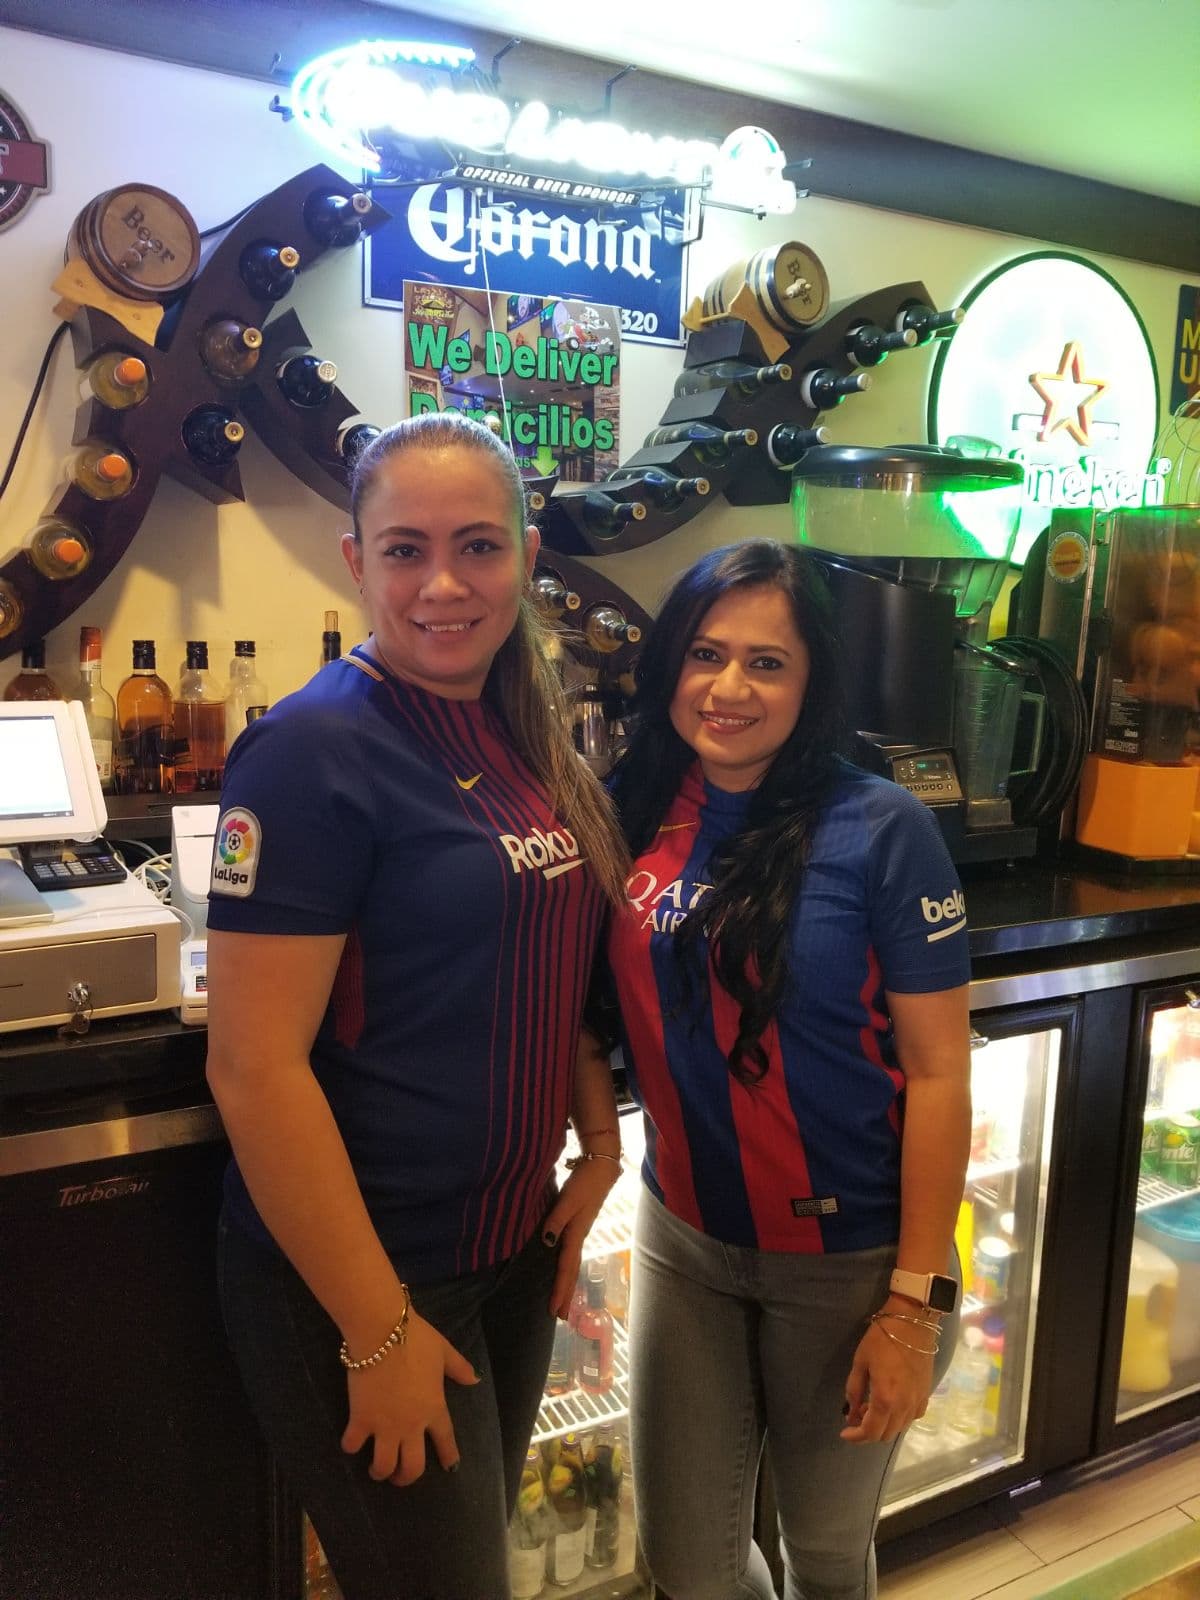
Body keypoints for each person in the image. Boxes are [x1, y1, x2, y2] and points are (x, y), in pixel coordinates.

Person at [205, 412, 628, 1600]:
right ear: (356, 562)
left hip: (502, 1260)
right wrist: (375, 1330)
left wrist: (597, 1150)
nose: (444, 583)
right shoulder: (308, 752)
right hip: (368, 1276)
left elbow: (557, 974)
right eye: (405, 549)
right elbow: (253, 1068)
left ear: (528, 556)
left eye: (480, 546)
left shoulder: (522, 734)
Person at [605, 540, 971, 1600]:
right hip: (685, 1241)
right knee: (688, 1561)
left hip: (850, 1266)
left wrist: (914, 1306)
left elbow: (941, 1074)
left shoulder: (883, 827)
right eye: (706, 654)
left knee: (821, 1552)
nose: (727, 687)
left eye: (766, 663)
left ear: (811, 685)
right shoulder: (635, 804)